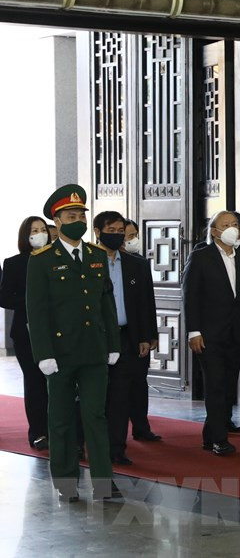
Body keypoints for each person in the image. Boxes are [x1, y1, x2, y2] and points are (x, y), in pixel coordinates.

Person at [26, 185, 121, 501]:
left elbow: (106, 303)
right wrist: (43, 353)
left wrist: (113, 344)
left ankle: (103, 483)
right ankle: (66, 484)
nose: (78, 219)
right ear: (57, 221)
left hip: (94, 351)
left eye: (81, 214)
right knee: (62, 419)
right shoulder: (41, 260)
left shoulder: (95, 255)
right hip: (60, 354)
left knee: (96, 416)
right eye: (71, 215)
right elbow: (36, 312)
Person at [182, 210, 240, 455]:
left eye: (235, 224)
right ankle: (219, 439)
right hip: (207, 334)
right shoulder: (201, 257)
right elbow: (190, 296)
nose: (232, 228)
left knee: (227, 384)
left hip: (234, 333)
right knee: (215, 384)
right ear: (214, 231)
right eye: (225, 224)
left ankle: (211, 434)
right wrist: (193, 331)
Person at [93, 211, 160, 465]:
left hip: (126, 337)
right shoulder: (88, 261)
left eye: (121, 230)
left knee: (121, 395)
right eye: (111, 230)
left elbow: (146, 303)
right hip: (96, 337)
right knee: (93, 396)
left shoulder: (137, 265)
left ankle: (116, 449)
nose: (118, 235)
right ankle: (81, 443)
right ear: (98, 232)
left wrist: (148, 335)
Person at [0, 216, 51, 450]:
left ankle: (60, 429)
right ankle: (38, 432)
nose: (40, 234)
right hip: (26, 332)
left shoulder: (59, 259)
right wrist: (32, 302)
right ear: (25, 235)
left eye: (43, 229)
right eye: (34, 230)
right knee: (34, 382)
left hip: (57, 332)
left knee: (58, 382)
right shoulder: (13, 263)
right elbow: (4, 297)